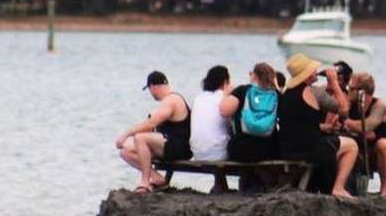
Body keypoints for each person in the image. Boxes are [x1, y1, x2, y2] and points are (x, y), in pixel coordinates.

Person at [278, 53, 358, 198]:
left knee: (333, 141)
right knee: (352, 145)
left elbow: (300, 125)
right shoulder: (311, 91)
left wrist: (326, 128)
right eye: (313, 70)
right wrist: (334, 82)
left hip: (289, 148)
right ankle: (338, 187)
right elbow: (344, 110)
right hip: (310, 149)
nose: (316, 71)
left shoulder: (287, 94)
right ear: (307, 75)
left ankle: (327, 183)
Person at [115, 71, 192, 194]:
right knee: (125, 151)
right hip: (168, 145)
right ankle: (157, 178)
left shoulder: (172, 100)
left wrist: (126, 134)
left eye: (149, 90)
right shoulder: (165, 103)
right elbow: (150, 127)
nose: (151, 94)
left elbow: (152, 124)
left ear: (153, 87)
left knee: (140, 138)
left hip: (180, 147)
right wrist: (125, 140)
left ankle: (145, 182)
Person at [343, 72, 386, 197]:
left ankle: (384, 189)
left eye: (351, 88)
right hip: (358, 149)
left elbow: (366, 126)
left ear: (362, 92)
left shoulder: (380, 106)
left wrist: (345, 121)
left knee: (383, 144)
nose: (348, 91)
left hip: (381, 153)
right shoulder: (350, 103)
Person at [219, 62, 278, 163]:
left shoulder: (242, 91)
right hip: (269, 151)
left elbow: (224, 111)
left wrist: (225, 95)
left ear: (254, 75)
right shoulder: (276, 95)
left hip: (241, 150)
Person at [190, 65, 232, 193]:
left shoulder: (199, 98)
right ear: (225, 82)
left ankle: (220, 183)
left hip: (197, 152)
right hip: (217, 153)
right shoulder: (223, 98)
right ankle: (222, 184)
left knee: (216, 135)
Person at [319, 60, 353, 134]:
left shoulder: (342, 97)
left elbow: (328, 126)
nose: (331, 79)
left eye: (337, 79)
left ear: (345, 82)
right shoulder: (323, 90)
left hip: (328, 134)